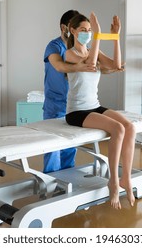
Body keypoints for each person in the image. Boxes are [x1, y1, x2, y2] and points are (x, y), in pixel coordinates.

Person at [65, 12, 135, 210]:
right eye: (83, 30)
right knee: (118, 129)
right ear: (73, 31)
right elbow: (91, 65)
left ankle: (126, 179)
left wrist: (115, 37)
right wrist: (97, 34)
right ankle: (113, 181)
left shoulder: (91, 50)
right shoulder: (69, 54)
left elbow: (116, 65)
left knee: (129, 127)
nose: (87, 33)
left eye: (89, 30)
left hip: (94, 105)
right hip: (76, 112)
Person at [43, 10, 96, 173]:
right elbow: (59, 66)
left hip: (74, 105)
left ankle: (67, 180)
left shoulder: (82, 48)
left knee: (70, 146)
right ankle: (50, 184)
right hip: (55, 104)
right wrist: (78, 66)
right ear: (65, 28)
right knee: (52, 147)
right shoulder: (54, 46)